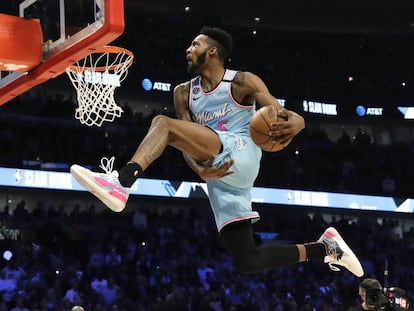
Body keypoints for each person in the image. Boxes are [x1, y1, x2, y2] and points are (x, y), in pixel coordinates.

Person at [70, 26, 364, 277]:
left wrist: (298, 121)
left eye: (194, 44)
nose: (188, 49)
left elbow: (278, 111)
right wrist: (198, 169)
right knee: (248, 260)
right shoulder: (183, 92)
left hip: (242, 150)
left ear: (212, 52)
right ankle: (326, 248)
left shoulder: (241, 81)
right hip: (217, 173)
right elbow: (183, 140)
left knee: (161, 122)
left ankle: (121, 183)